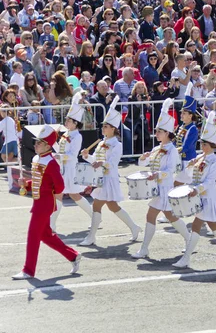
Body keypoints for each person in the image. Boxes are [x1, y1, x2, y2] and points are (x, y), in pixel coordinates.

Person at [12, 126, 82, 280]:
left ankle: (28, 270)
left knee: (33, 235)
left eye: (39, 143)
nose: (36, 145)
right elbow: (39, 182)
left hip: (45, 204)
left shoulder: (51, 162)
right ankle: (73, 256)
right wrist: (26, 183)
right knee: (46, 236)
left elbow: (60, 186)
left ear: (48, 146)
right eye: (36, 142)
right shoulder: (37, 159)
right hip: (38, 202)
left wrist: (49, 192)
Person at [173, 111, 216, 268]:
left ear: (212, 146)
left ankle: (187, 258)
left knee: (201, 226)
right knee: (213, 226)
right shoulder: (199, 158)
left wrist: (198, 189)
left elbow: (210, 181)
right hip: (199, 197)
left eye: (205, 144)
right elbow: (192, 176)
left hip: (207, 197)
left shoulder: (215, 161)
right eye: (201, 144)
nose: (202, 146)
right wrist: (189, 167)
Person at [79, 95, 142, 246]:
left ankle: (91, 236)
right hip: (101, 179)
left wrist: (101, 162)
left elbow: (112, 164)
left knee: (98, 205)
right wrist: (88, 157)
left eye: (106, 126)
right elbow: (96, 160)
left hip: (109, 178)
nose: (103, 128)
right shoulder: (102, 143)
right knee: (113, 206)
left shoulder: (116, 144)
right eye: (103, 126)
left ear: (113, 129)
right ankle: (134, 227)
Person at [132, 99, 191, 259]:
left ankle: (189, 240)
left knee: (171, 216)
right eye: (156, 131)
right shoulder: (157, 148)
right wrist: (143, 158)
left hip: (165, 188)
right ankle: (144, 248)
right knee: (152, 216)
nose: (156, 133)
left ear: (167, 133)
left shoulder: (172, 150)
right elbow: (144, 163)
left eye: (159, 131)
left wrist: (157, 174)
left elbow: (170, 170)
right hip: (157, 188)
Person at [51, 92, 93, 232]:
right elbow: (60, 150)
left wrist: (59, 157)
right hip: (62, 168)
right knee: (58, 194)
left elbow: (72, 154)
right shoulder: (65, 134)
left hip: (70, 168)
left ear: (75, 123)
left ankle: (94, 215)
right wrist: (52, 143)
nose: (66, 122)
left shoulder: (77, 136)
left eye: (69, 120)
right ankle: (52, 225)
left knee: (75, 195)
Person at [173, 83, 199, 186]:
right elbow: (176, 142)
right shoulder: (182, 127)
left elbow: (186, 146)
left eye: (184, 113)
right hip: (181, 160)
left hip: (188, 160)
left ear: (190, 115)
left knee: (179, 185)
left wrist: (173, 151)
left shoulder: (193, 129)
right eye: (181, 113)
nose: (181, 115)